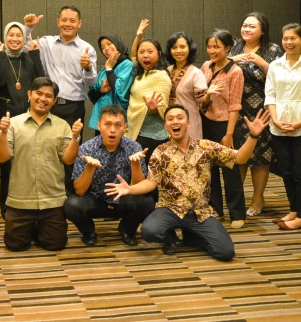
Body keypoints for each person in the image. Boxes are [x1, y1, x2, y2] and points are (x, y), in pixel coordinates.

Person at [105, 104, 271, 261]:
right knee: (149, 231)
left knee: (225, 253)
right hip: (171, 209)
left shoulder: (205, 146)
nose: (175, 122)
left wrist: (253, 136)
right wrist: (130, 189)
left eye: (180, 118)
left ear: (188, 123)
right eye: (170, 119)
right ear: (165, 125)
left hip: (200, 212)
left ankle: (191, 235)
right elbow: (151, 182)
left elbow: (240, 158)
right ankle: (171, 236)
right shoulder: (160, 152)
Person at [0, 77, 83, 251]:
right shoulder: (13, 124)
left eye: (48, 96)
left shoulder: (62, 125)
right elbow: (2, 157)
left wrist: (75, 138)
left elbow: (68, 159)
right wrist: (3, 133)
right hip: (20, 201)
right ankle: (32, 229)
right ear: (29, 94)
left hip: (52, 201)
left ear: (54, 101)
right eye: (39, 93)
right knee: (15, 246)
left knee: (55, 245)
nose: (43, 99)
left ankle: (37, 229)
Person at [23, 7, 97, 194]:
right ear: (58, 22)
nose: (67, 24)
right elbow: (22, 46)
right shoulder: (46, 43)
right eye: (64, 20)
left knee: (70, 151)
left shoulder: (87, 49)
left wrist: (88, 68)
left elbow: (91, 83)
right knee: (45, 149)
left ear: (79, 24)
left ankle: (68, 194)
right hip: (48, 106)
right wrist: (28, 28)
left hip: (73, 107)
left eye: (72, 20)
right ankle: (46, 191)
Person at [65, 105, 154, 246]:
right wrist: (90, 168)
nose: (112, 130)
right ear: (99, 126)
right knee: (72, 205)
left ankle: (127, 230)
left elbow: (140, 187)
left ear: (125, 127)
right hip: (95, 200)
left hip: (122, 198)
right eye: (107, 124)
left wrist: (135, 164)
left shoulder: (134, 147)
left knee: (147, 202)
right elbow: (79, 191)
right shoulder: (86, 148)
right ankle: (88, 232)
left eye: (118, 125)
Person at [229, 12, 283, 217]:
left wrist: (262, 63)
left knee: (261, 157)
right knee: (239, 155)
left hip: (262, 110)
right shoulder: (234, 47)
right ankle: (237, 200)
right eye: (244, 25)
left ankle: (258, 199)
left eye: (252, 26)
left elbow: (281, 78)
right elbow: (218, 68)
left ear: (262, 31)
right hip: (237, 110)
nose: (246, 29)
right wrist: (233, 60)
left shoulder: (272, 50)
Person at [0, 22, 45, 217]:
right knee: (7, 164)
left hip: (29, 115)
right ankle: (6, 207)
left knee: (30, 161)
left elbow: (41, 81)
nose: (15, 39)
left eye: (18, 35)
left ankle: (28, 203)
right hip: (7, 117)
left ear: (23, 38)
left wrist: (35, 53)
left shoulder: (28, 58)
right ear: (5, 38)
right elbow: (1, 81)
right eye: (11, 35)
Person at [200, 29, 246, 228]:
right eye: (209, 46)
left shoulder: (235, 71)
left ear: (227, 48)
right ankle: (216, 209)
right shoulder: (205, 66)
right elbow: (201, 99)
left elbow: (235, 105)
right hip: (206, 122)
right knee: (209, 169)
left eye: (216, 47)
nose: (212, 50)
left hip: (225, 125)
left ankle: (237, 214)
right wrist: (208, 95)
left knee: (230, 170)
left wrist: (229, 134)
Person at [264, 23, 301, 230]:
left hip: (300, 126)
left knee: (299, 173)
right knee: (286, 171)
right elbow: (270, 95)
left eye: (293, 38)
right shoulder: (275, 65)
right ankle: (294, 210)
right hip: (278, 126)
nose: (289, 42)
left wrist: (298, 123)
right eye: (285, 38)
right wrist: (275, 120)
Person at [126, 38, 171, 201]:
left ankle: (155, 210)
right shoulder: (139, 75)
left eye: (150, 52)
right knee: (139, 176)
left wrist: (153, 108)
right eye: (142, 52)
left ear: (158, 54)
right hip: (137, 132)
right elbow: (132, 56)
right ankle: (144, 210)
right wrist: (138, 36)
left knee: (153, 178)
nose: (145, 55)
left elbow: (163, 107)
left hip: (155, 136)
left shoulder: (161, 76)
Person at [163, 31, 208, 139]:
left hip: (189, 124)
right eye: (174, 47)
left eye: (182, 47)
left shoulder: (196, 73)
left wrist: (209, 95)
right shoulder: (167, 71)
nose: (178, 51)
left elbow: (202, 104)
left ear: (189, 49)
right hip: (169, 125)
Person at [87, 35, 134, 134]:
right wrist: (101, 90)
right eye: (102, 47)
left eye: (109, 44)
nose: (106, 48)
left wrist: (109, 69)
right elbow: (92, 93)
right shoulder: (106, 67)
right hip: (101, 118)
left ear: (117, 44)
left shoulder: (127, 65)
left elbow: (121, 90)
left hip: (117, 118)